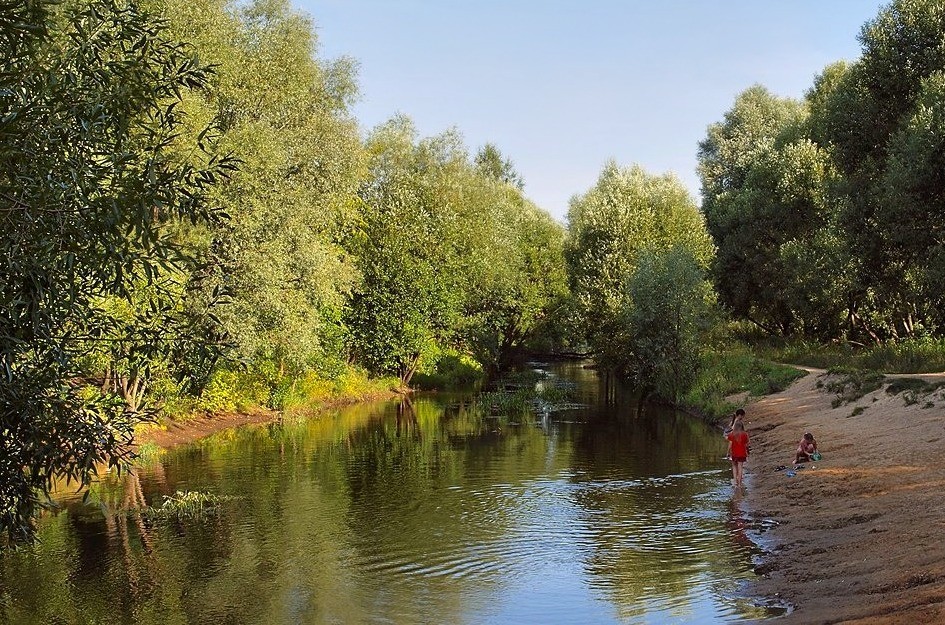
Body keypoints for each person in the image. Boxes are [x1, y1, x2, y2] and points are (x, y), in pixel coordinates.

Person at [726, 421, 749, 487]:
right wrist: (747, 452)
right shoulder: (745, 434)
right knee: (740, 467)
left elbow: (730, 444)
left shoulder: (731, 434)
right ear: (742, 427)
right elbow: (747, 444)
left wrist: (728, 452)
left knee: (734, 466)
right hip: (742, 453)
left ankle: (735, 481)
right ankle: (739, 482)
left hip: (734, 453)